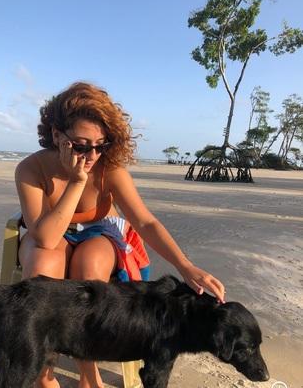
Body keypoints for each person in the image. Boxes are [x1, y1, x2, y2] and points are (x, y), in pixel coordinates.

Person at [15, 82, 225, 388]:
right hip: (48, 232)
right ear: (57, 135)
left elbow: (145, 222)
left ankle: (89, 374)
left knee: (89, 272)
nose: (92, 154)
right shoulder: (31, 169)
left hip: (98, 234)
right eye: (82, 145)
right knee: (42, 270)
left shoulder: (110, 170)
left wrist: (185, 266)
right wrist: (76, 182)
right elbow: (46, 237)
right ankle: (44, 375)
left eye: (100, 145)